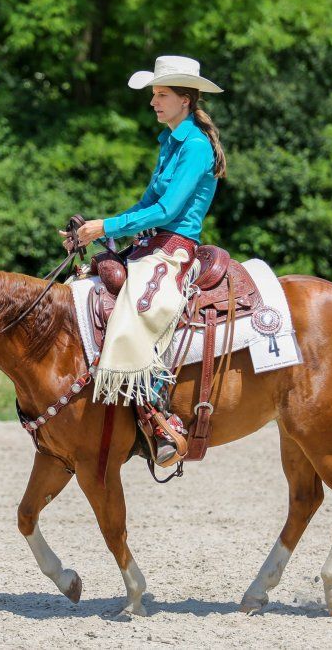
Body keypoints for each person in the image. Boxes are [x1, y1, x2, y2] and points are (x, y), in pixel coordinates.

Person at [60, 55, 227, 466]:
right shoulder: (170, 142)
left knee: (141, 307)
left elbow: (169, 210)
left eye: (161, 94)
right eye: (154, 93)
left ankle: (157, 415)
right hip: (151, 243)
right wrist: (102, 231)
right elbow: (147, 204)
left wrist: (106, 226)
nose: (153, 101)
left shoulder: (195, 147)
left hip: (175, 247)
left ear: (185, 99)